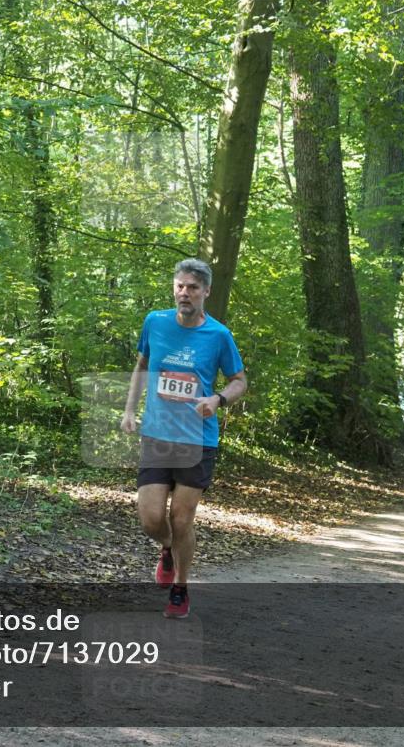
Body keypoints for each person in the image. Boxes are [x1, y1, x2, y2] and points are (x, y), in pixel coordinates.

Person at [120, 258, 247, 619]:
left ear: (206, 291)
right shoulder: (155, 322)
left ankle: (180, 587)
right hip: (157, 434)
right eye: (180, 286)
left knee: (181, 519)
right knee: (150, 519)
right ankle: (167, 549)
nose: (184, 293)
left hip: (198, 439)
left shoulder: (219, 335)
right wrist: (129, 411)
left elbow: (239, 380)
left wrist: (218, 399)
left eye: (192, 287)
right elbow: (142, 367)